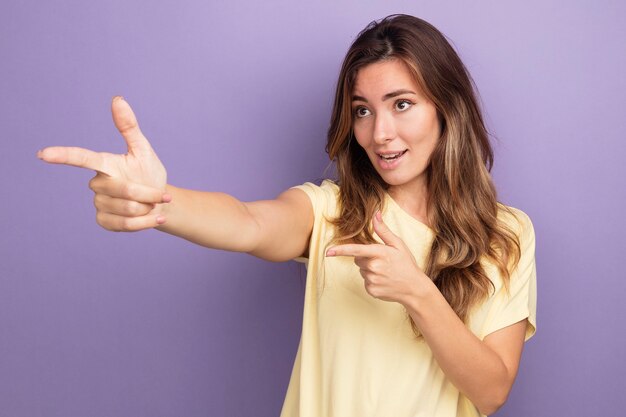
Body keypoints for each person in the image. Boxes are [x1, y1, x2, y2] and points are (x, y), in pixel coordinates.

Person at [38, 14, 536, 417]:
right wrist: (161, 200)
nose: (379, 132)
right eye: (362, 110)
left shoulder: (506, 234)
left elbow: (491, 392)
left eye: (401, 104)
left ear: (447, 109)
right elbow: (248, 223)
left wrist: (416, 292)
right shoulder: (334, 211)